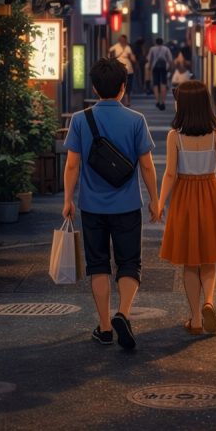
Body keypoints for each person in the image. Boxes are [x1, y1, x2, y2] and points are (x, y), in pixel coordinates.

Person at [63, 57, 159, 349]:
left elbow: (72, 165)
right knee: (129, 262)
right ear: (123, 87)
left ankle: (105, 327)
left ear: (94, 87)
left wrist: (67, 200)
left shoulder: (80, 120)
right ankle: (123, 313)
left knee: (98, 265)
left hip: (92, 206)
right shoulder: (136, 120)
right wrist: (155, 200)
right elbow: (147, 165)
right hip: (127, 205)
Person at [159, 81, 216, 335]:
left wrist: (160, 202)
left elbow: (170, 174)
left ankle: (196, 319)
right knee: (209, 257)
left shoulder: (174, 136)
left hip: (184, 195)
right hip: (210, 193)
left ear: (183, 105)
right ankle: (209, 301)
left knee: (189, 261)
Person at [108, 34, 137, 106]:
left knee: (128, 84)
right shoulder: (116, 46)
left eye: (123, 39)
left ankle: (127, 100)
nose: (122, 40)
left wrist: (133, 58)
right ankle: (121, 100)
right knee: (120, 84)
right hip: (119, 67)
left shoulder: (128, 47)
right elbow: (109, 51)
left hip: (128, 68)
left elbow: (132, 57)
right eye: (121, 39)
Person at [147, 36, 173, 110]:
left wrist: (149, 67)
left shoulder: (152, 49)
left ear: (156, 42)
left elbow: (150, 59)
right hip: (163, 67)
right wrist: (170, 68)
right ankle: (163, 101)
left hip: (155, 67)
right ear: (162, 42)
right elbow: (170, 59)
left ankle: (157, 101)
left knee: (156, 84)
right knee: (163, 83)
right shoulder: (166, 49)